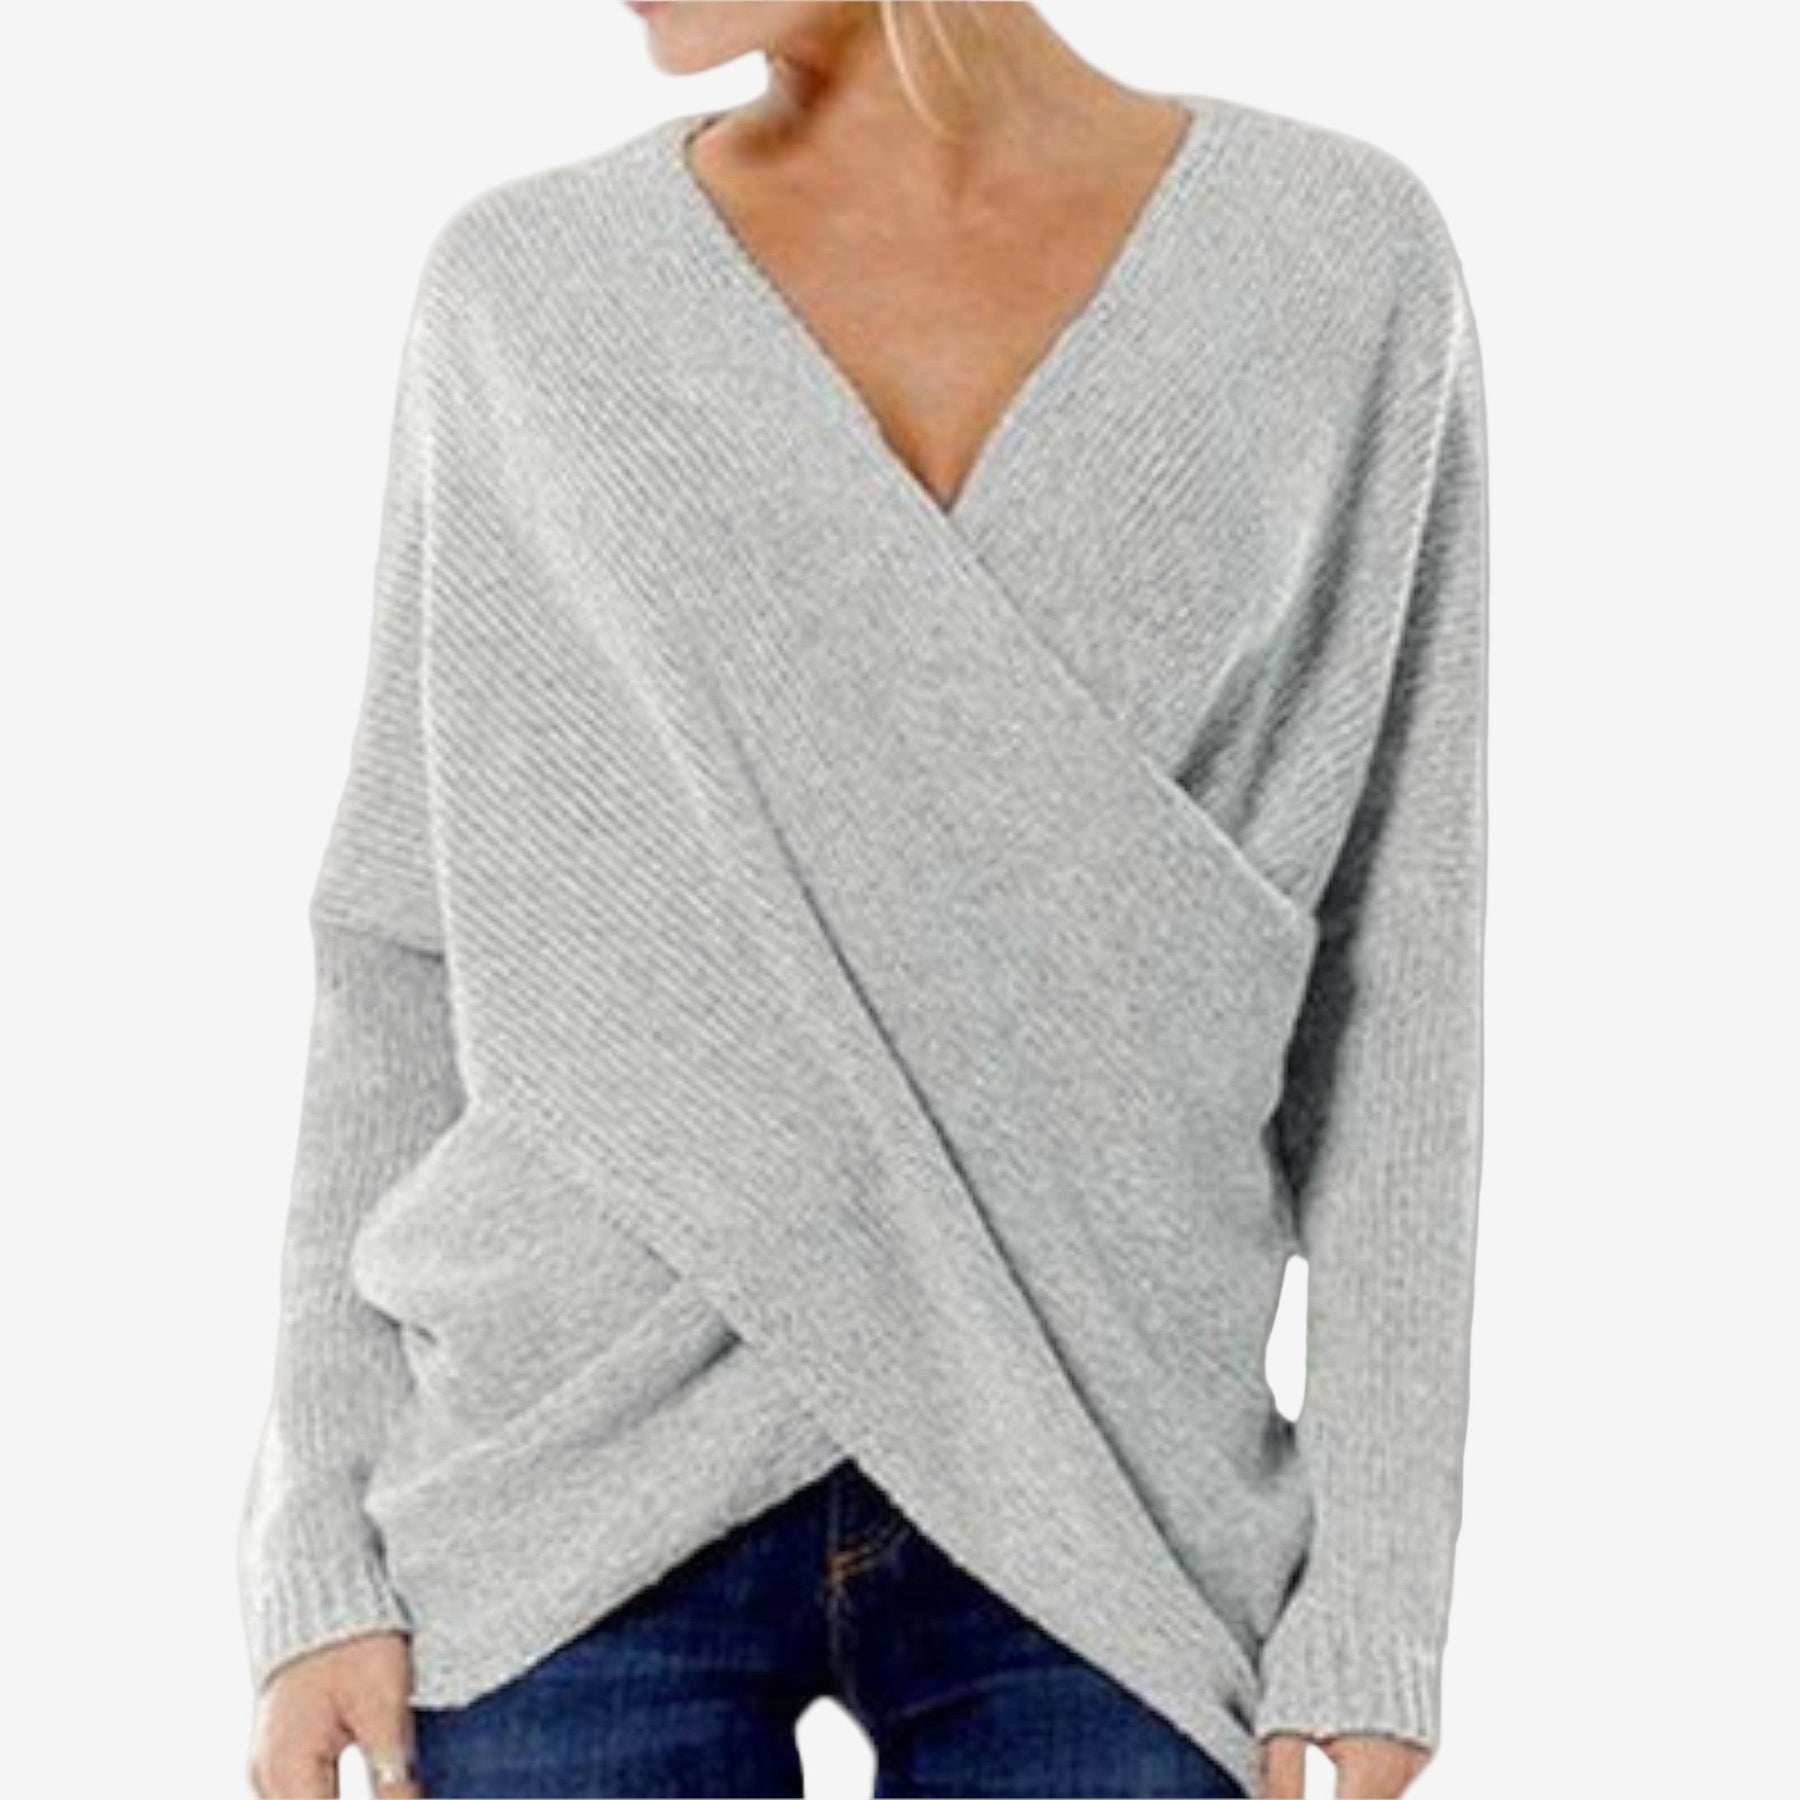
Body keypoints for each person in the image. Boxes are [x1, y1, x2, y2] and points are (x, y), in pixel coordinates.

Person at [238, 4, 1488, 1797]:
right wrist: (319, 1546)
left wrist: (1376, 1598)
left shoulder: (1336, 263)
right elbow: (400, 941)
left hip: (1111, 1487)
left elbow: (1397, 963)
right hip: (566, 1473)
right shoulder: (527, 294)